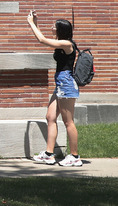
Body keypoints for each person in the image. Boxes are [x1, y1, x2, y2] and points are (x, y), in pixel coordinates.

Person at [27, 10, 82, 167]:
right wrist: (35, 22)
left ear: (60, 30)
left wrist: (30, 23)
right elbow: (44, 38)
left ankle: (75, 156)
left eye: (54, 26)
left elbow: (42, 40)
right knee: (50, 117)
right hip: (60, 84)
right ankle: (49, 154)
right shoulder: (60, 42)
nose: (51, 27)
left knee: (68, 121)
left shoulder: (67, 44)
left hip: (66, 84)